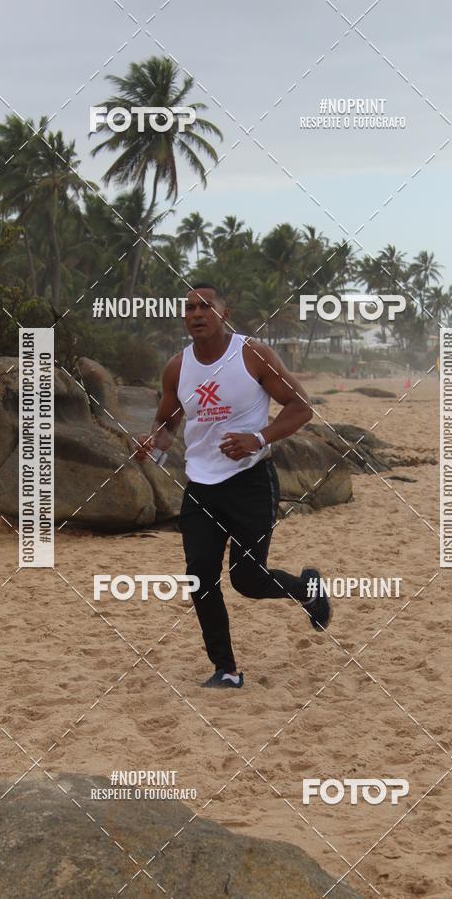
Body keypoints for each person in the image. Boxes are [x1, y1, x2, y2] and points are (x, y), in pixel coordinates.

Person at [137, 283, 331, 689]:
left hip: (251, 483)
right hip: (201, 488)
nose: (196, 313)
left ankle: (306, 589)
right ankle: (225, 669)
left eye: (205, 306)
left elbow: (301, 407)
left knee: (247, 579)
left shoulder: (253, 355)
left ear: (224, 313)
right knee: (200, 577)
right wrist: (152, 444)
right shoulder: (177, 367)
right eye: (189, 308)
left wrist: (258, 438)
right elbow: (167, 425)